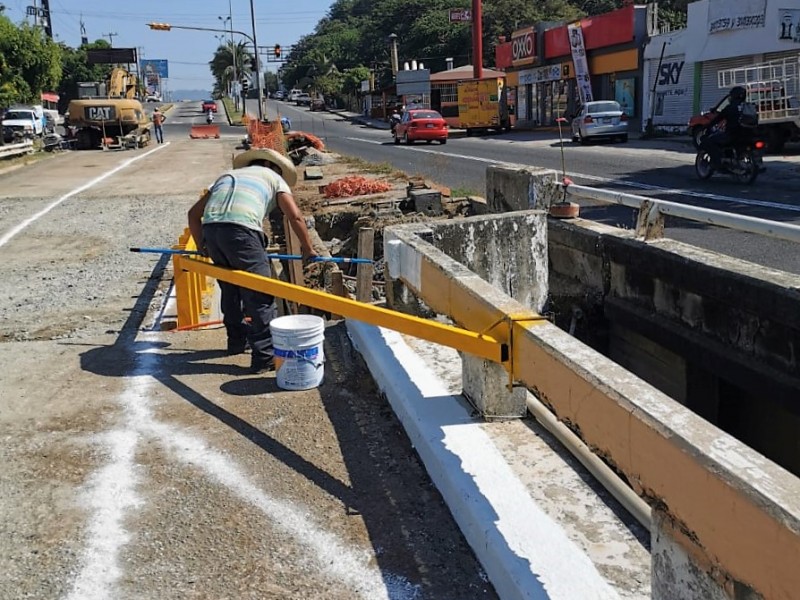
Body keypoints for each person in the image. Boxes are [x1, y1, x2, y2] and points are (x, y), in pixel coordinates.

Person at [188, 148, 318, 374]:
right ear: (275, 168)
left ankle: (236, 342)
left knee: (230, 287)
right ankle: (264, 357)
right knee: (259, 293)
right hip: (242, 231)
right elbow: (295, 216)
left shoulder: (227, 176)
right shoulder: (275, 179)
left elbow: (193, 214)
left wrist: (202, 246)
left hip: (212, 230)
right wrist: (308, 249)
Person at [702, 85, 748, 168]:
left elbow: (718, 119)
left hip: (732, 135)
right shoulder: (748, 106)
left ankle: (719, 164)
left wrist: (708, 126)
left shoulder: (730, 107)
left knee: (709, 141)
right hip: (747, 136)